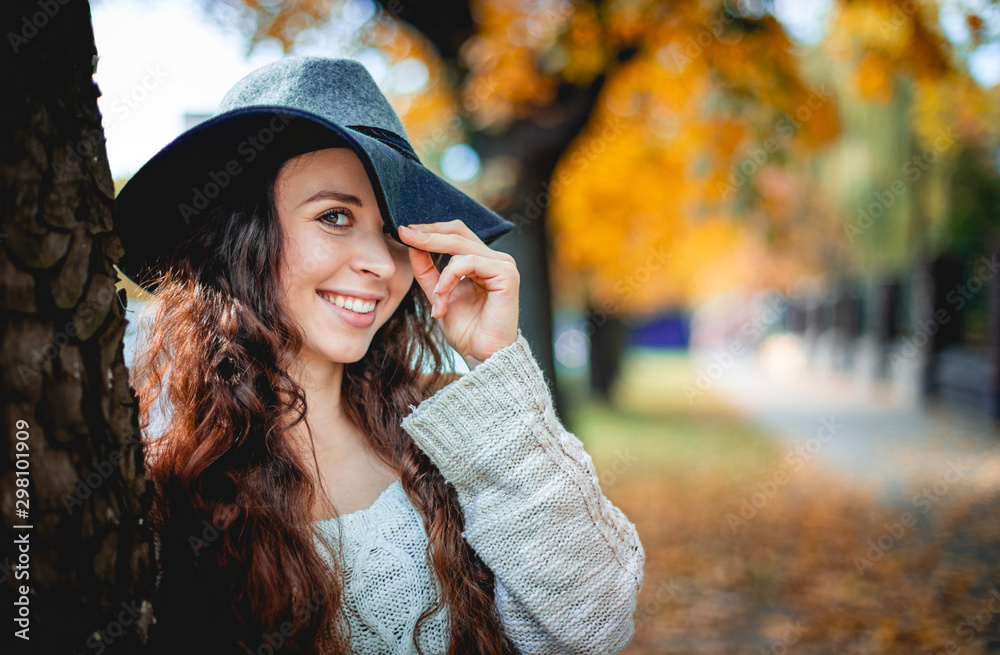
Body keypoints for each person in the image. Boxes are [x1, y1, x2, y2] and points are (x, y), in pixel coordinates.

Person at [116, 56, 645, 655]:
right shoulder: (153, 462)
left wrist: (495, 363)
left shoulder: (451, 426)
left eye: (396, 233)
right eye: (335, 217)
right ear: (240, 238)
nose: (379, 263)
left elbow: (591, 630)